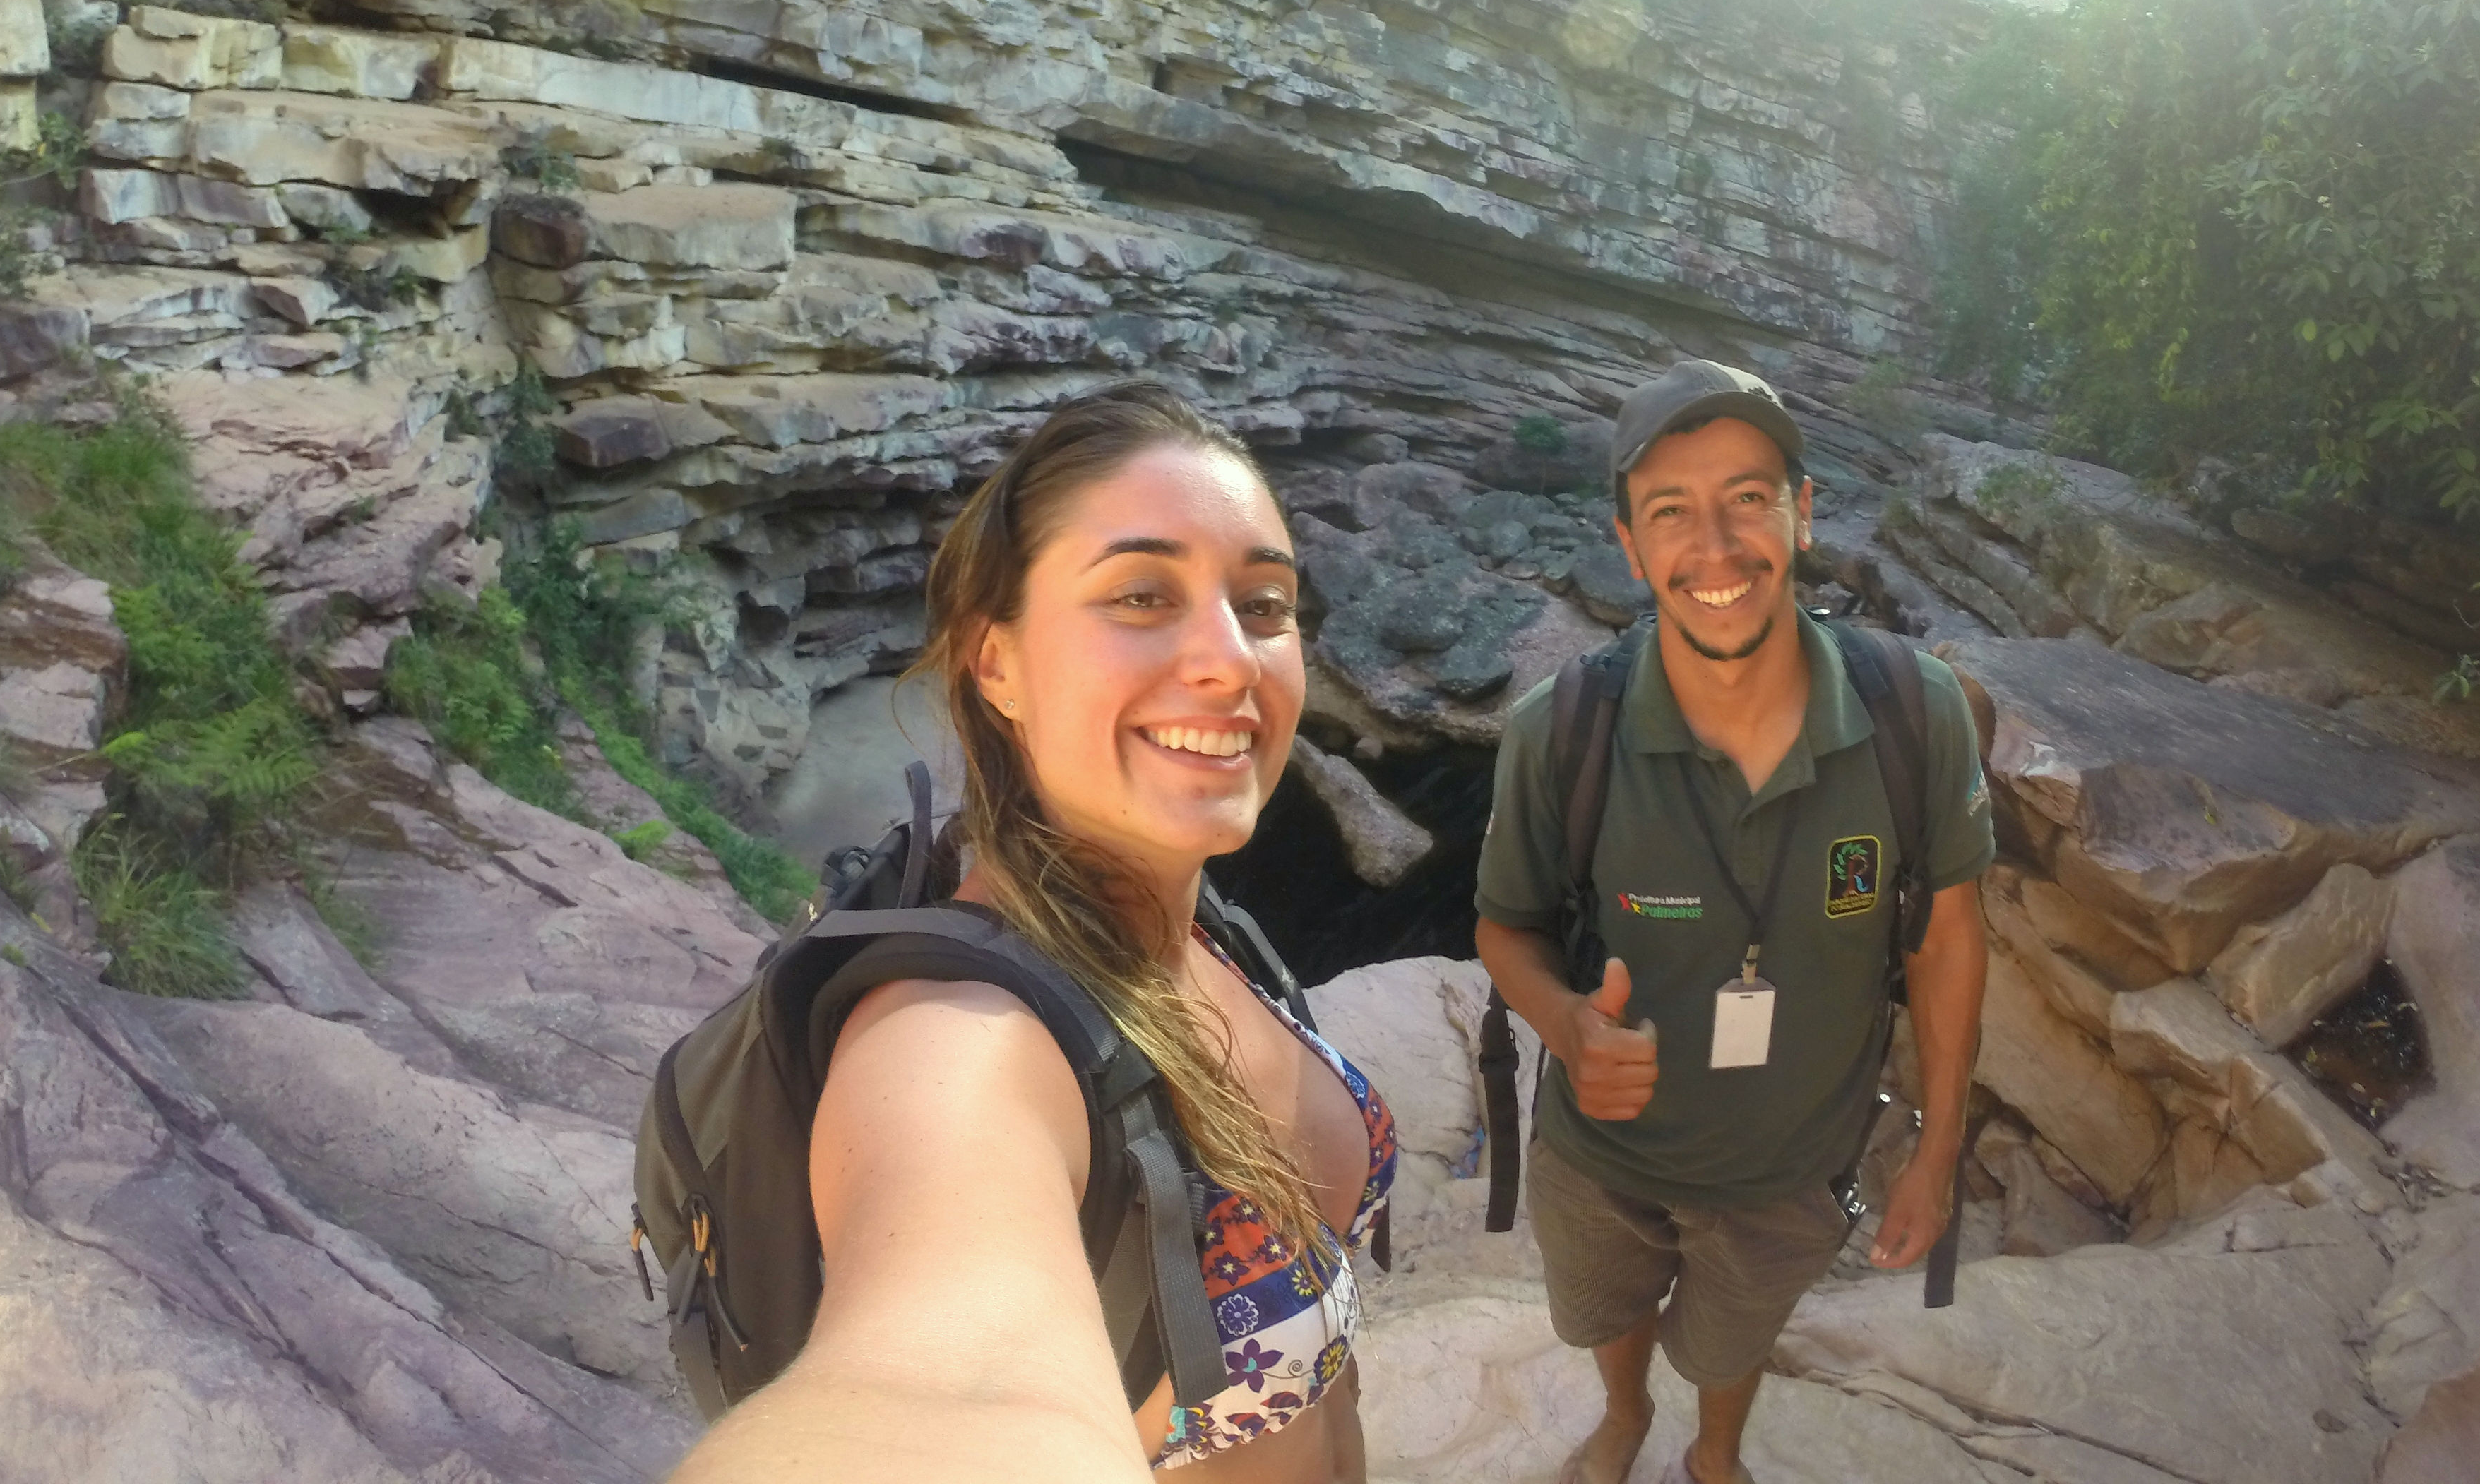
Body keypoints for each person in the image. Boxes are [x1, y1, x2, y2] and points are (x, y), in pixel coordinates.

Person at [670, 382, 1397, 1484]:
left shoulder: (1202, 932)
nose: (1232, 660)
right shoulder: (960, 1046)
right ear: (996, 664)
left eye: (1263, 604)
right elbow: (940, 1392)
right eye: (1141, 596)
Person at [1475, 361, 1993, 1484]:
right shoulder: (1561, 731)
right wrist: (1566, 1025)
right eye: (1671, 511)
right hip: (1603, 1156)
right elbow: (1506, 926)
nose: (1715, 547)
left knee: (1732, 1336)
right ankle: (1625, 1418)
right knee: (1608, 1310)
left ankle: (1716, 1454)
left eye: (1747, 498)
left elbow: (1948, 936)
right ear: (1629, 545)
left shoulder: (1917, 712)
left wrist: (1940, 1148)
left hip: (1794, 1163)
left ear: (1802, 512)